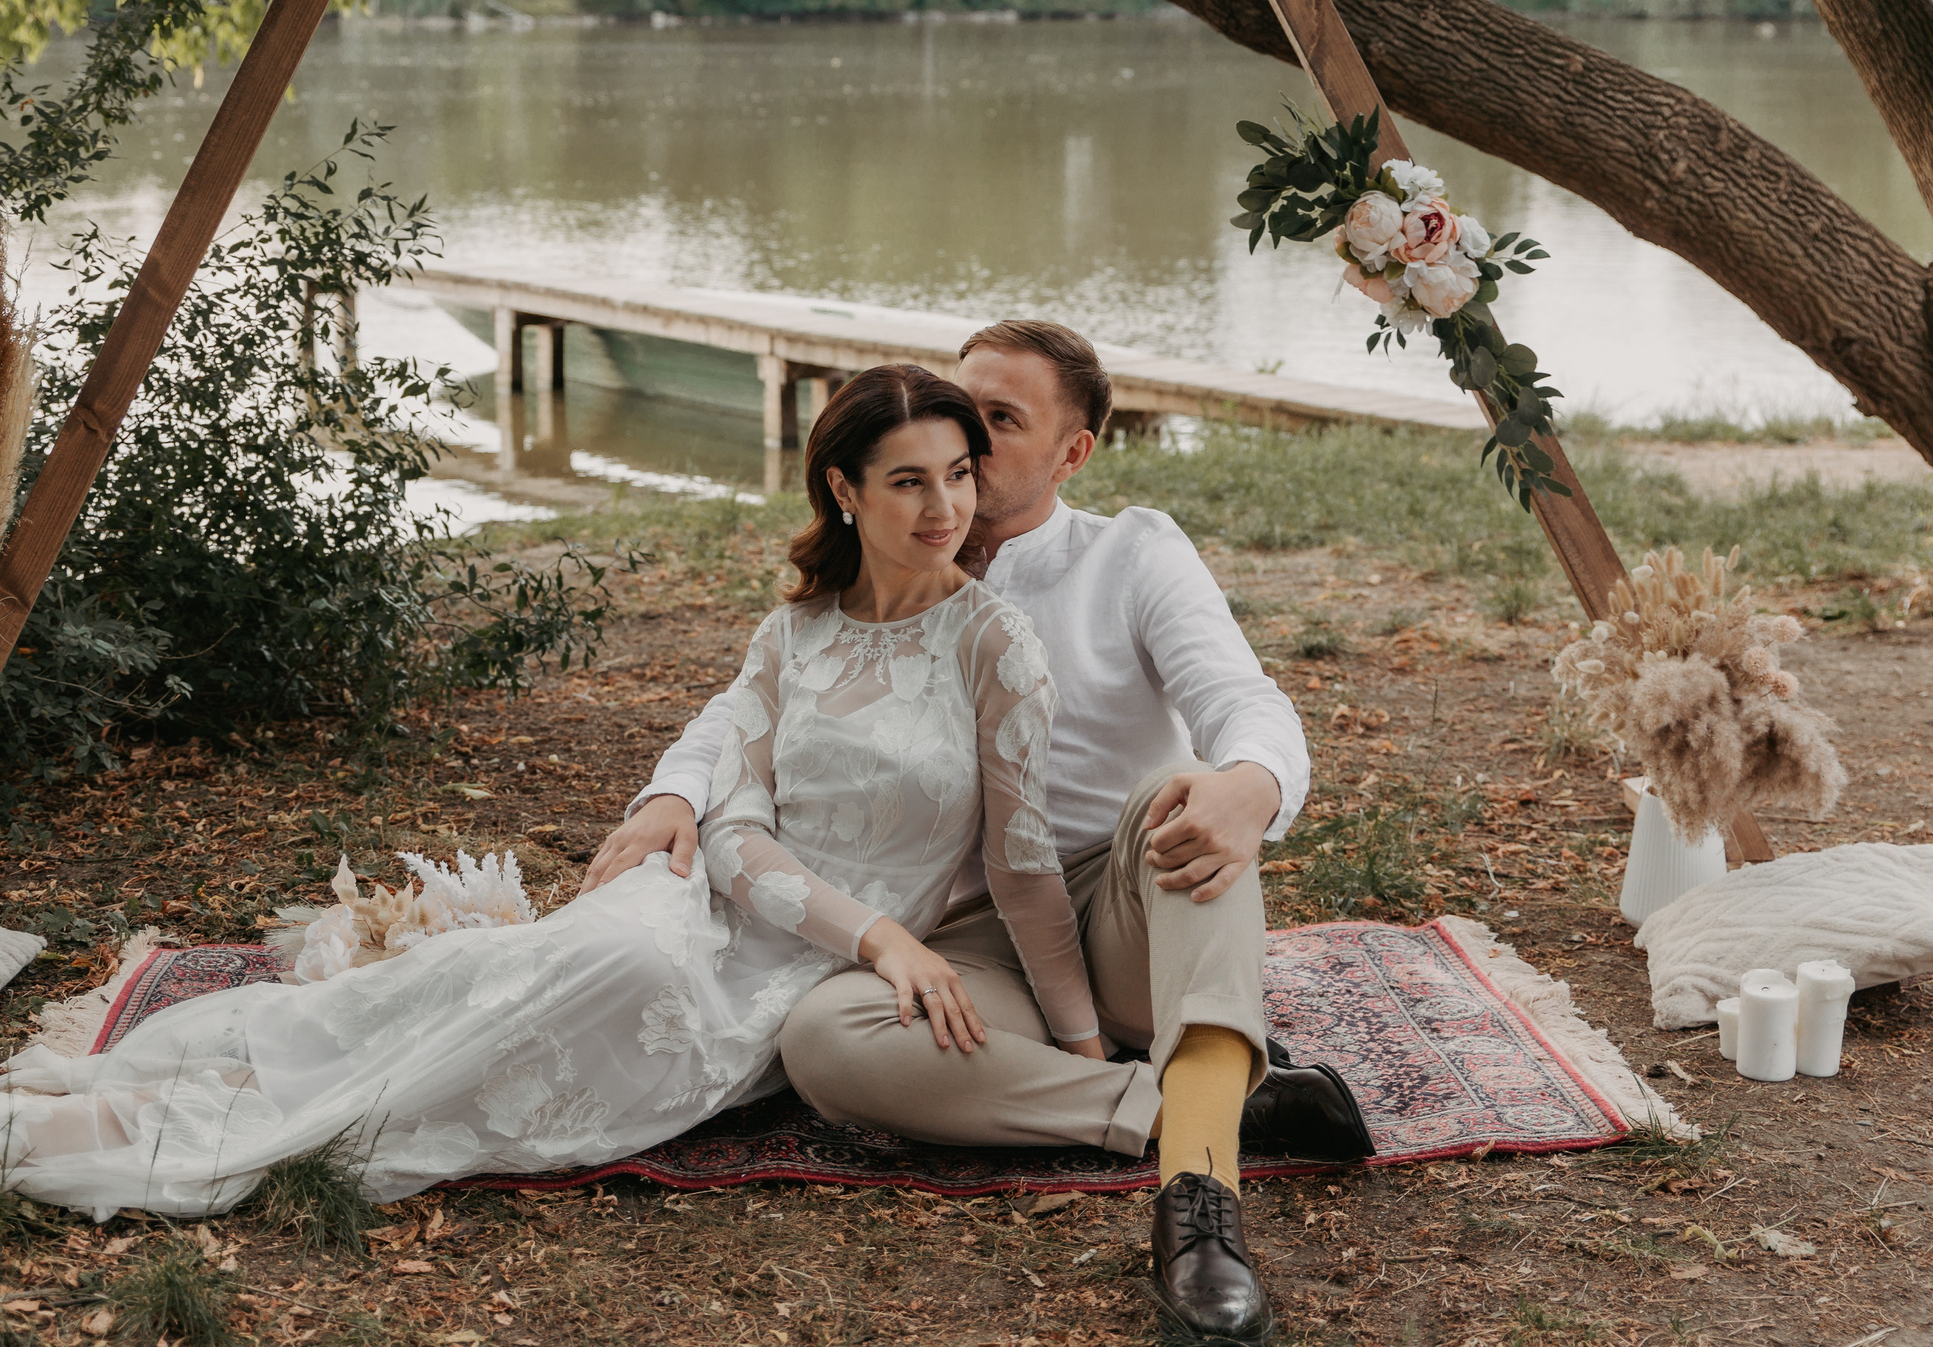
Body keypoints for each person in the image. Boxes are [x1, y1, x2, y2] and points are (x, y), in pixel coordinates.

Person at [0, 365, 1094, 1227]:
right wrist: (877, 937)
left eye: (958, 476)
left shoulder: (996, 647)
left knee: (473, 1061)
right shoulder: (795, 635)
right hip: (710, 907)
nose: (945, 508)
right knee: (475, 984)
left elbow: (1025, 866)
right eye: (908, 482)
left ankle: (26, 1143)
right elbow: (734, 829)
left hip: (786, 981)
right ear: (844, 491)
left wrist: (1087, 1039)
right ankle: (49, 1126)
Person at [583, 321, 1368, 1345]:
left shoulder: (1130, 552)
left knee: (1187, 798)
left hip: (1127, 902)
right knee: (823, 1040)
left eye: (1001, 421)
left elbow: (1241, 699)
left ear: (1072, 452)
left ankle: (1200, 1204)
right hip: (973, 933)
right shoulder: (895, 552)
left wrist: (1252, 785)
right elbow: (759, 702)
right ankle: (1188, 1099)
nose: (966, 442)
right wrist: (674, 795)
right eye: (964, 408)